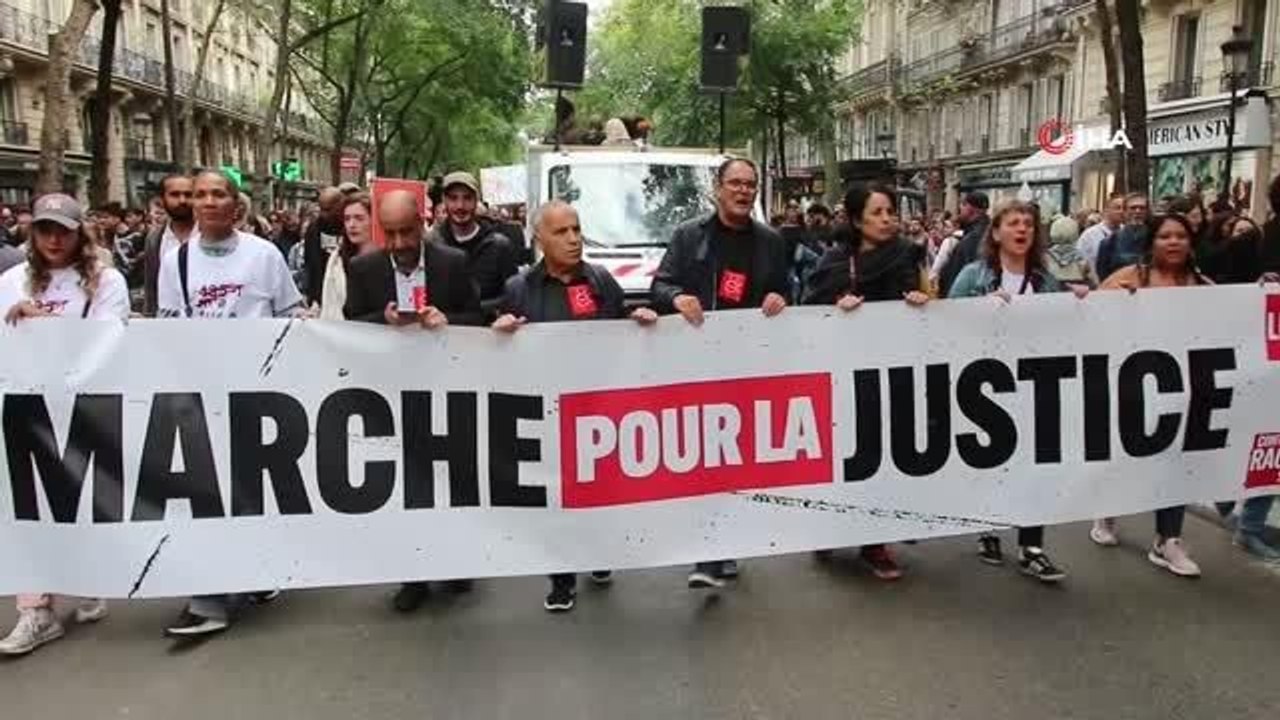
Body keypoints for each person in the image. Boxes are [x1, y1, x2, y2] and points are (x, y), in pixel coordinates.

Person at [157, 171, 305, 636]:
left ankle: (250, 575)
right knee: (208, 490)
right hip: (201, 395)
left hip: (258, 393)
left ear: (235, 204)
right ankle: (211, 595)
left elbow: (289, 317)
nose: (206, 202)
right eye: (199, 195)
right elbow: (168, 327)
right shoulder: (175, 261)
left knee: (249, 488)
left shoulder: (263, 255)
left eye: (217, 194)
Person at [492, 200, 659, 612]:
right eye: (562, 232)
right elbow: (497, 355)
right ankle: (562, 576)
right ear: (539, 240)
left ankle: (598, 553)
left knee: (600, 488)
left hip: (597, 410)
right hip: (546, 412)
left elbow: (619, 326)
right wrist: (499, 333)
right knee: (558, 495)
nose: (573, 239)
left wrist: (637, 320)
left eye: (577, 229)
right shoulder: (520, 289)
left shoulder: (601, 280)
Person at [651, 157, 790, 590]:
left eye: (750, 185)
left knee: (737, 458)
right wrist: (676, 298)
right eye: (735, 183)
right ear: (718, 188)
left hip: (749, 366)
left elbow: (786, 289)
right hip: (698, 366)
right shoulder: (690, 235)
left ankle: (724, 546)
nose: (744, 191)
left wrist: (779, 298)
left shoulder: (771, 241)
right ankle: (709, 552)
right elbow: (661, 284)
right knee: (705, 457)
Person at [0, 193, 129, 657]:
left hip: (84, 412)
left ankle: (89, 580)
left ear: (80, 233)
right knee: (26, 506)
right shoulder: (12, 279)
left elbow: (106, 342)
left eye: (63, 230)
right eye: (45, 229)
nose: (54, 239)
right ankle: (35, 609)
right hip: (25, 412)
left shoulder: (105, 280)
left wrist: (45, 326)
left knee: (81, 501)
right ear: (32, 233)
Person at [343, 189, 481, 613]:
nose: (401, 244)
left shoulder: (451, 263)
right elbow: (350, 320)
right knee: (406, 483)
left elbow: (476, 317)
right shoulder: (363, 267)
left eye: (408, 232)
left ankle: (456, 562)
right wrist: (380, 322)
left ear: (422, 224)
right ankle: (413, 574)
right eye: (392, 234)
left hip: (444, 387)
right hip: (390, 392)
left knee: (449, 477)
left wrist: (447, 321)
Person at [947, 200, 1085, 583]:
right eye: (1013, 223)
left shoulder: (1045, 280)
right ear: (996, 232)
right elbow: (947, 321)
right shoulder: (974, 275)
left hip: (1032, 382)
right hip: (985, 384)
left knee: (1035, 462)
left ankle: (1032, 546)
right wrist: (979, 308)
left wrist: (1079, 305)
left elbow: (1060, 327)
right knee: (992, 459)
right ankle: (989, 527)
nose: (1022, 229)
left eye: (1028, 223)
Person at [803, 184, 932, 581]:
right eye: (877, 212)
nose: (887, 218)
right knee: (845, 456)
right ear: (858, 219)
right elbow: (808, 309)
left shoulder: (908, 255)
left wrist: (920, 303)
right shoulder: (835, 260)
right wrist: (835, 306)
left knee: (883, 457)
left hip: (892, 377)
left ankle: (875, 543)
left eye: (890, 211)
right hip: (844, 377)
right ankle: (829, 525)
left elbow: (926, 304)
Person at [1089, 213, 1210, 577]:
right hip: (1132, 389)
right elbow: (1089, 318)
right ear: (1151, 243)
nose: (1173, 242)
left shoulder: (1203, 287)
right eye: (1165, 236)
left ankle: (1168, 539)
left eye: (1180, 236)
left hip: (1183, 393)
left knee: (1175, 462)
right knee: (1125, 456)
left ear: (1190, 242)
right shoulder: (1129, 280)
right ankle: (1107, 512)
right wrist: (1118, 306)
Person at [428, 171, 520, 320]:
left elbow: (514, 295)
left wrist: (477, 311)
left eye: (467, 198)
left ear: (477, 200)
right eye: (453, 198)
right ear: (444, 201)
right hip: (443, 335)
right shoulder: (432, 244)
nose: (460, 206)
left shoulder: (499, 245)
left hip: (490, 335)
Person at [143, 174, 196, 316]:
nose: (182, 200)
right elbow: (151, 286)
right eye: (174, 194)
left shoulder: (209, 234)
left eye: (188, 194)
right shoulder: (154, 239)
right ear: (162, 199)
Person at [318, 193, 377, 321]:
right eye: (347, 219)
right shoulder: (337, 260)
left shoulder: (387, 257)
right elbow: (330, 304)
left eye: (359, 218)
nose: (352, 225)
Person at [936, 191, 991, 296]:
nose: (960, 210)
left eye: (962, 205)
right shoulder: (983, 232)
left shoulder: (972, 238)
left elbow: (959, 275)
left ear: (969, 208)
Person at [302, 186, 346, 308]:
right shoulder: (313, 229)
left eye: (328, 209)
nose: (323, 214)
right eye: (321, 209)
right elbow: (309, 264)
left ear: (340, 205)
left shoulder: (349, 226)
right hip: (320, 294)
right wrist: (309, 294)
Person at [1094, 192, 1149, 281]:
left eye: (1142, 208)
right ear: (1124, 211)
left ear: (1147, 212)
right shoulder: (1109, 242)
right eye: (1133, 208)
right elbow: (1103, 276)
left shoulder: (1156, 239)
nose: (1138, 211)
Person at [1077, 194, 1124, 273]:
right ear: (1107, 210)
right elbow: (1080, 260)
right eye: (1117, 208)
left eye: (1124, 208)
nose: (1121, 211)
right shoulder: (1089, 235)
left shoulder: (1127, 232)